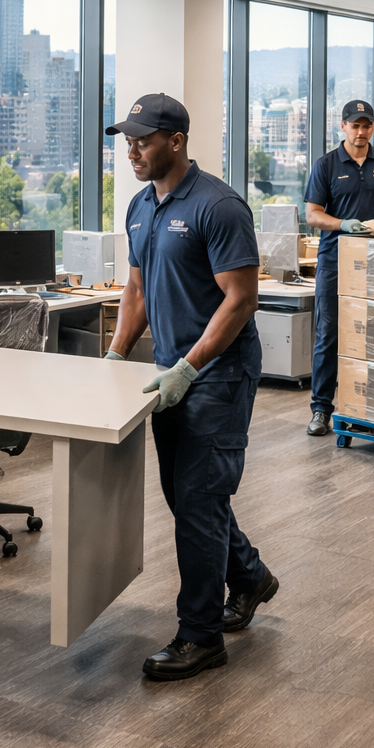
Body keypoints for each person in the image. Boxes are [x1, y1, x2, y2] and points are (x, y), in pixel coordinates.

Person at [104, 93, 278, 682]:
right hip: (169, 376)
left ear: (175, 141)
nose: (131, 148)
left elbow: (241, 299)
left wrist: (190, 367)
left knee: (198, 506)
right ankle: (250, 576)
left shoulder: (218, 206)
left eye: (143, 139)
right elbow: (137, 291)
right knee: (187, 499)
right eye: (126, 138)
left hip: (218, 374)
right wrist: (116, 354)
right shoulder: (139, 206)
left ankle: (200, 636)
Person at [302, 100, 374, 437]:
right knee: (329, 335)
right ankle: (321, 410)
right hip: (335, 262)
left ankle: (372, 409)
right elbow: (312, 214)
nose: (361, 132)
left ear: (373, 126)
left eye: (367, 126)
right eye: (355, 126)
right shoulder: (326, 165)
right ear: (343, 127)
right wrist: (342, 225)